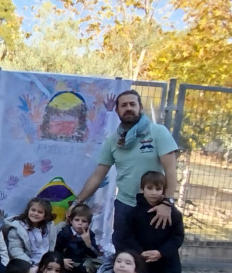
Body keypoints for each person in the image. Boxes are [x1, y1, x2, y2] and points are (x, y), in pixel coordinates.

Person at [70, 89, 179, 247]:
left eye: (132, 104)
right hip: (125, 205)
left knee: (151, 252)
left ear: (140, 107)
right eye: (124, 105)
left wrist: (167, 203)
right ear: (117, 111)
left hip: (154, 206)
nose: (128, 108)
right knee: (123, 252)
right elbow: (98, 175)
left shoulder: (158, 132)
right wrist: (76, 202)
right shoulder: (112, 141)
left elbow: (170, 171)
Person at [55, 203, 101, 273]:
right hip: (66, 263)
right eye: (77, 220)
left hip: (81, 264)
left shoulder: (90, 234)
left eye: (84, 221)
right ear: (71, 220)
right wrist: (61, 261)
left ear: (88, 223)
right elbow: (56, 250)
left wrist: (88, 243)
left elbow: (95, 254)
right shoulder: (64, 233)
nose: (80, 223)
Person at [5, 197, 57, 263]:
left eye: (40, 212)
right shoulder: (17, 228)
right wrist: (31, 264)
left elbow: (51, 247)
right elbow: (16, 250)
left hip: (46, 263)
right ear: (28, 211)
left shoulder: (50, 226)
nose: (35, 214)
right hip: (26, 264)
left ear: (45, 216)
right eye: (33, 210)